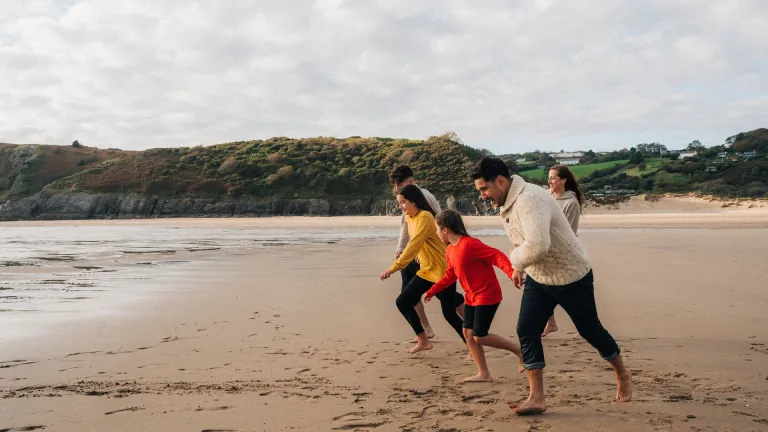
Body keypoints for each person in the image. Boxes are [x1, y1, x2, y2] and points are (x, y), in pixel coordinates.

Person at [471, 157, 632, 415]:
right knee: (526, 329)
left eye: (484, 189)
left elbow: (537, 245)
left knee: (590, 330)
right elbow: (522, 240)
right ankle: (536, 397)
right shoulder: (509, 201)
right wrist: (519, 267)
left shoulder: (530, 199)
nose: (483, 195)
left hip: (571, 275)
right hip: (540, 277)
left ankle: (623, 373)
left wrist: (514, 259)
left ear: (500, 181)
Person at [425, 210, 525, 382]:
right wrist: (432, 290)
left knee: (480, 335)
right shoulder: (450, 250)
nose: (436, 232)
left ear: (445, 230)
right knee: (468, 332)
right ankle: (484, 373)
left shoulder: (470, 245)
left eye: (437, 229)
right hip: (472, 296)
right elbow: (451, 274)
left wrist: (511, 273)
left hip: (487, 294)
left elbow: (497, 255)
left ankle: (519, 351)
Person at [380, 185, 466, 354]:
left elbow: (415, 243)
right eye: (399, 203)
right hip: (427, 270)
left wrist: (393, 268)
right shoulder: (411, 218)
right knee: (403, 302)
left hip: (442, 271)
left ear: (414, 201)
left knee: (449, 314)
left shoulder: (425, 217)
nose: (401, 206)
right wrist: (420, 254)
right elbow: (421, 243)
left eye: (403, 202)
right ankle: (423, 340)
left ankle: (472, 344)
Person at [542, 164, 586, 337]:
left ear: (563, 180)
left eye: (553, 177)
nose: (550, 180)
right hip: (543, 250)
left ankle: (586, 326)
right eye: (549, 177)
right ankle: (551, 322)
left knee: (569, 294)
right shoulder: (546, 197)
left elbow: (570, 234)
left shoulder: (571, 203)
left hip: (562, 255)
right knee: (542, 288)